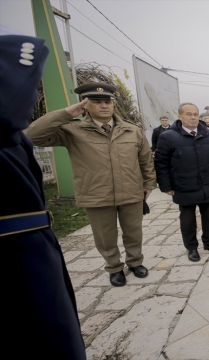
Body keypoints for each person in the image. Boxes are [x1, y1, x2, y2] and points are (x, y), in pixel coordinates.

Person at [1, 31, 86, 359]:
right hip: (17, 267)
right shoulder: (69, 127)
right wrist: (66, 113)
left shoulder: (11, 139)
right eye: (28, 86)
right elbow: (36, 132)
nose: (33, 94)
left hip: (39, 255)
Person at [25, 82, 156, 287]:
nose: (104, 105)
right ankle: (114, 268)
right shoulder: (72, 130)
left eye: (107, 101)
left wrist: (148, 183)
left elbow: (145, 160)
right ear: (84, 105)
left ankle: (135, 263)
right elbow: (32, 136)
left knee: (134, 232)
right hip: (96, 194)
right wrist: (66, 114)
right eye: (96, 102)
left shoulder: (132, 130)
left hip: (131, 191)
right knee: (105, 237)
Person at [154, 103, 209, 262]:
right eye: (188, 114)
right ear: (180, 116)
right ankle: (192, 247)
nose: (193, 117)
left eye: (195, 114)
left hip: (208, 183)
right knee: (187, 220)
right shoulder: (168, 137)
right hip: (184, 184)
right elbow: (161, 163)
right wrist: (166, 186)